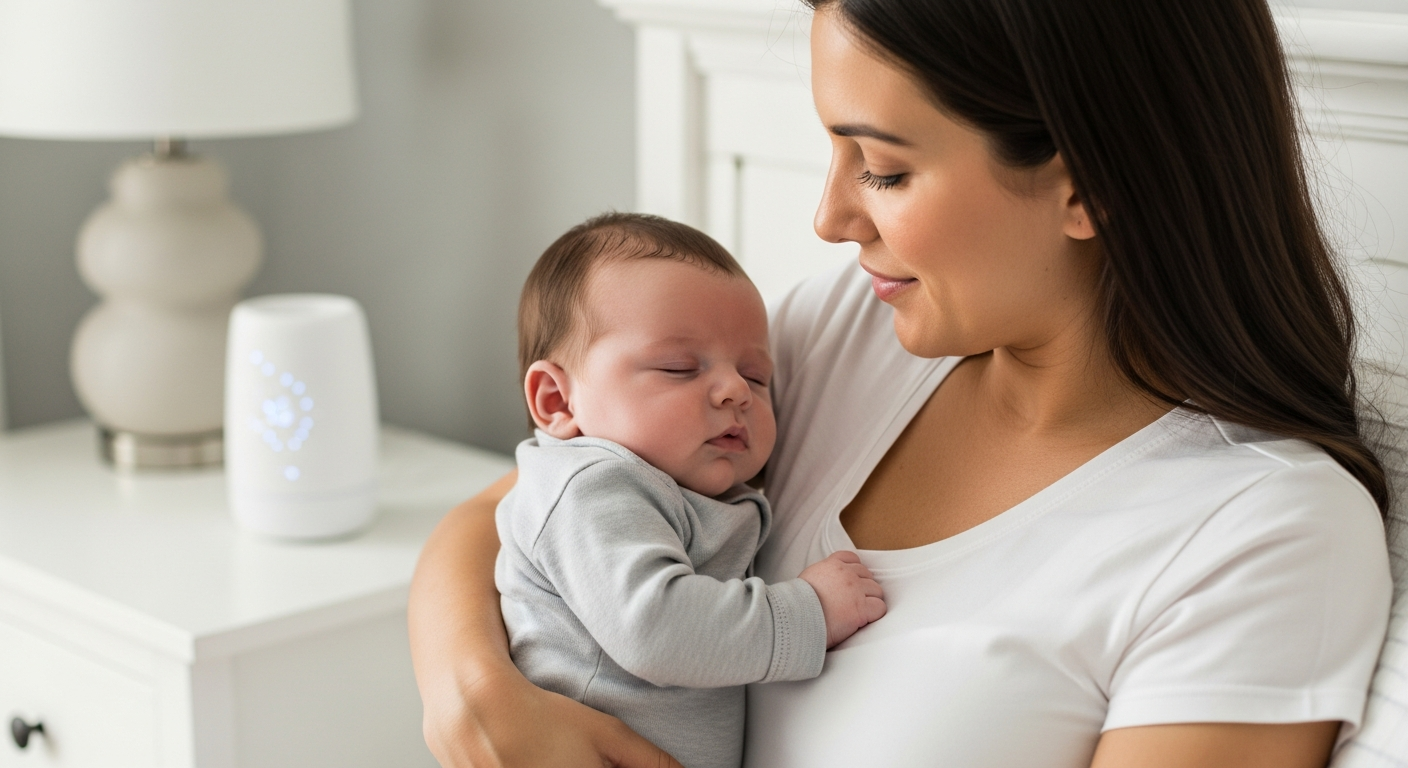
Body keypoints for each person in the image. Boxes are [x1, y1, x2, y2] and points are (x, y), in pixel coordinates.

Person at [408, 0, 1395, 765]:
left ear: (1087, 181)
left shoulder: (1261, 535)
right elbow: (529, 497)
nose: (831, 218)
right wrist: (471, 691)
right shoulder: (849, 330)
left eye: (880, 168)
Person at [495, 212, 884, 768]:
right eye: (679, 368)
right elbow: (653, 628)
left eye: (755, 376)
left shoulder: (681, 485)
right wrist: (808, 611)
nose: (734, 391)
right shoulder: (591, 486)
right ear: (557, 402)